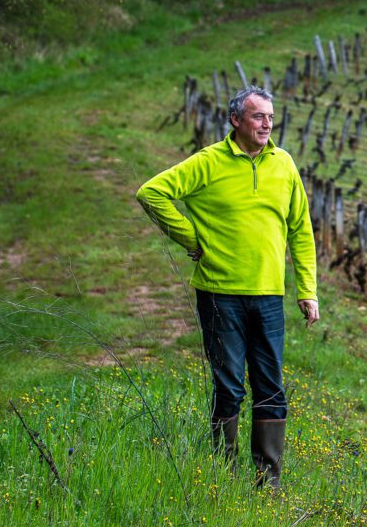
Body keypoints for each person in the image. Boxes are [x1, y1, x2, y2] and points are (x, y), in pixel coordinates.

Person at [136, 85, 319, 488]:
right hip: (220, 293)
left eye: (270, 117)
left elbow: (300, 230)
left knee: (271, 385)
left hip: (269, 295)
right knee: (230, 384)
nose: (266, 124)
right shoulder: (209, 162)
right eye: (258, 116)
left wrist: (307, 290)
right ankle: (222, 472)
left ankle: (268, 480)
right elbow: (152, 193)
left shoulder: (284, 164)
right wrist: (193, 240)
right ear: (236, 120)